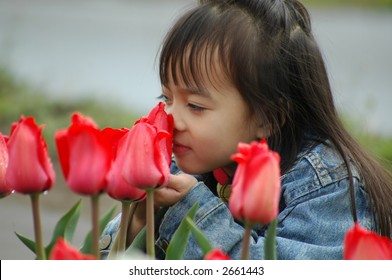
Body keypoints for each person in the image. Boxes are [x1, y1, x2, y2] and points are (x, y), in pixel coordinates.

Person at [100, 0, 392, 259]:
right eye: (167, 98)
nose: (170, 119)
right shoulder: (189, 163)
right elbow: (99, 258)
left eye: (196, 106)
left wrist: (193, 211)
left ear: (267, 118)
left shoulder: (327, 189)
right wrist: (137, 222)